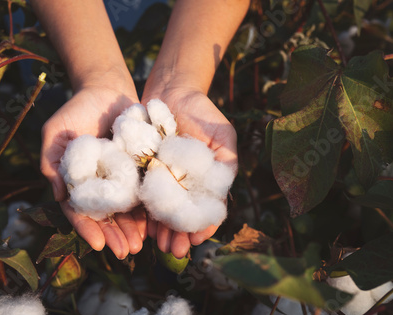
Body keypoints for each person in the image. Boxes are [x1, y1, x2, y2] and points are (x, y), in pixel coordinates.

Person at [31, 0, 248, 260]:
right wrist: (97, 77)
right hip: (66, 32)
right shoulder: (140, 144)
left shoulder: (142, 142)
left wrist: (180, 80)